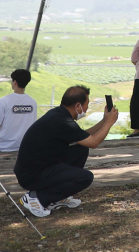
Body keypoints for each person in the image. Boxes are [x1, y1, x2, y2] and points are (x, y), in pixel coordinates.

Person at [14, 85, 119, 217]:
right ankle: (38, 198)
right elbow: (93, 142)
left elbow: (85, 137)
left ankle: (56, 197)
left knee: (81, 149)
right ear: (77, 106)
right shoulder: (62, 121)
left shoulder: (58, 115)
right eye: (87, 104)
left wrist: (105, 120)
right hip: (31, 175)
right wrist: (109, 123)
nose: (86, 109)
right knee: (85, 177)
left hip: (40, 167)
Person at [0, 69, 38, 153]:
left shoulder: (4, 101)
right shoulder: (33, 103)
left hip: (3, 147)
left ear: (15, 82)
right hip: (23, 147)